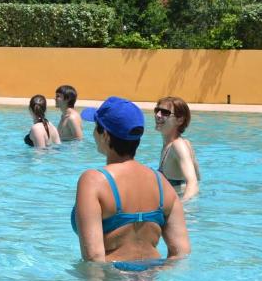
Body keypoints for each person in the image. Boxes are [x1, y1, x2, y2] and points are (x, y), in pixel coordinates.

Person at [72, 96, 190, 266]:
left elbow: (94, 258)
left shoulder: (93, 181)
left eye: (96, 128)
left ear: (105, 134)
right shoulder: (161, 182)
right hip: (151, 279)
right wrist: (151, 275)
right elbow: (181, 253)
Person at [155, 96, 201, 199]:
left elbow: (193, 183)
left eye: (165, 112)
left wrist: (183, 209)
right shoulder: (170, 145)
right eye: (157, 110)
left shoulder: (178, 145)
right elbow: (198, 177)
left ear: (179, 120)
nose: (158, 115)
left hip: (181, 206)